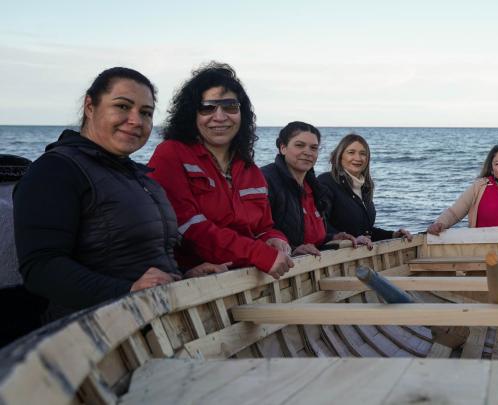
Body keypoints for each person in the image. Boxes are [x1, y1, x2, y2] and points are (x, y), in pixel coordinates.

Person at [13, 67, 202, 321]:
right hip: (93, 332)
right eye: (123, 106)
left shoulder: (136, 176)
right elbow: (41, 268)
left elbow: (140, 258)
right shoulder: (56, 170)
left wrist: (186, 274)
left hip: (152, 322)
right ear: (90, 106)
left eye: (146, 113)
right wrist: (126, 291)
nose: (136, 120)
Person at [148, 62, 293, 279]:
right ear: (192, 114)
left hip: (245, 278)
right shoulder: (171, 154)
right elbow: (187, 227)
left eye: (230, 107)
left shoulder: (249, 168)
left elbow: (263, 227)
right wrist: (257, 253)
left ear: (241, 113)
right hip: (192, 280)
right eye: (208, 108)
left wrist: (274, 239)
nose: (220, 116)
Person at [262, 122, 370, 256]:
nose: (307, 152)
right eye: (299, 145)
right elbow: (256, 231)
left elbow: (312, 237)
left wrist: (333, 237)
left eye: (313, 148)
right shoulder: (265, 180)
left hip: (311, 264)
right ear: (283, 148)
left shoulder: (314, 188)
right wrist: (293, 249)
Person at [318, 133, 412, 242]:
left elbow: (365, 232)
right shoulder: (326, 182)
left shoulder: (365, 187)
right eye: (351, 152)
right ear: (339, 156)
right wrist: (348, 239)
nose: (358, 158)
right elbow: (320, 226)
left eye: (363, 153)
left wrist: (393, 235)